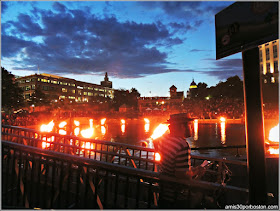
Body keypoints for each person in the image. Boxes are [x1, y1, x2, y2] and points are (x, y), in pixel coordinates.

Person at [153, 113, 205, 208]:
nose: (192, 128)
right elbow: (181, 174)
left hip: (164, 191)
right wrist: (197, 170)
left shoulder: (163, 139)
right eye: (190, 125)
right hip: (177, 197)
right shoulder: (182, 145)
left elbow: (171, 164)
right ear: (182, 126)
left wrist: (190, 169)